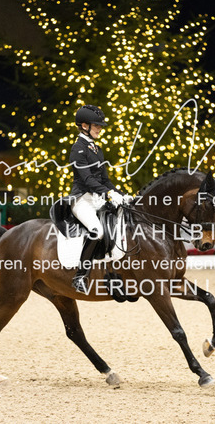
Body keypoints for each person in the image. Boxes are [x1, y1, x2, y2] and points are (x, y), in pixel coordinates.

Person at [68, 104, 132, 293]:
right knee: (97, 231)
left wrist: (120, 194)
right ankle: (80, 276)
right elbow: (87, 180)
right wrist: (108, 194)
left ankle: (112, 273)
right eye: (96, 126)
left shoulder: (96, 149)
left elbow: (105, 180)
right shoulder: (78, 149)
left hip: (97, 197)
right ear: (84, 126)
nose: (99, 129)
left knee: (119, 222)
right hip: (82, 199)